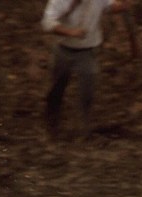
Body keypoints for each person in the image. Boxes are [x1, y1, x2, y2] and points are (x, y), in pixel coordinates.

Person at [41, 0, 132, 139]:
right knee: (57, 87)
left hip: (87, 51)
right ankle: (52, 124)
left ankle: (83, 127)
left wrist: (125, 4)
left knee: (88, 87)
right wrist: (70, 32)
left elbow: (112, 7)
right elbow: (47, 22)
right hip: (63, 49)